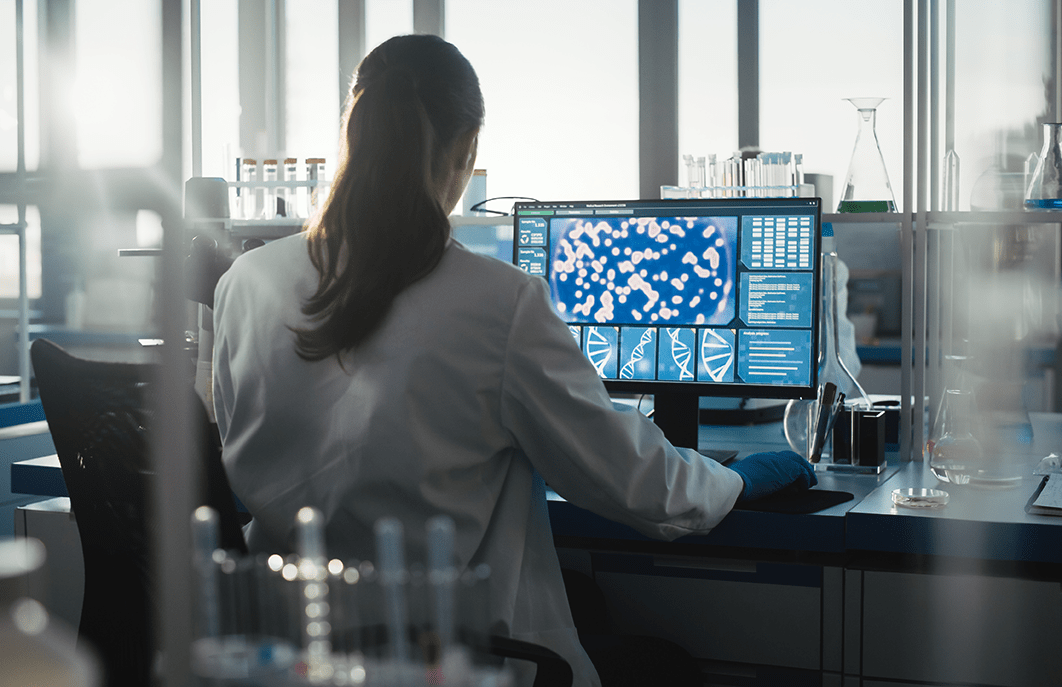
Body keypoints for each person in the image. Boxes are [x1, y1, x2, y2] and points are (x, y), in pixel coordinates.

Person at [212, 34, 816, 687]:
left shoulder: (246, 282)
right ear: (466, 151)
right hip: (451, 661)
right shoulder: (496, 302)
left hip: (285, 656)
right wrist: (738, 482)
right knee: (664, 664)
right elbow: (642, 489)